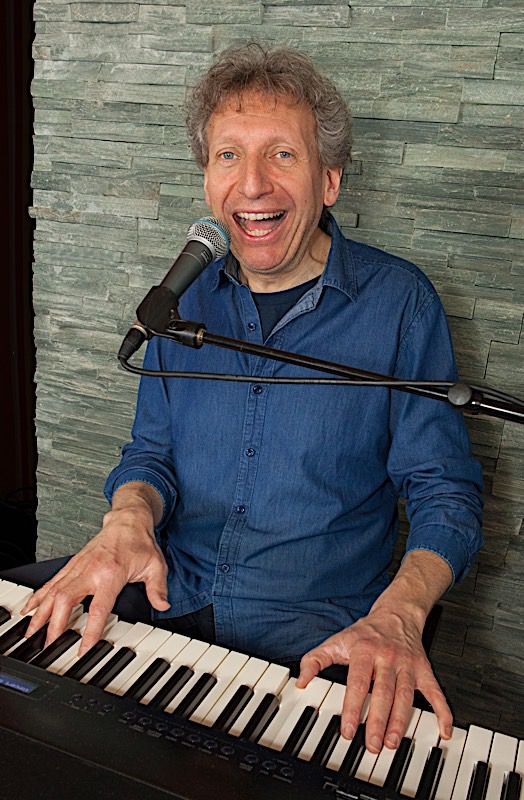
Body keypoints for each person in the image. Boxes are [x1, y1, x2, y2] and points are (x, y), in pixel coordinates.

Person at [19, 43, 483, 755]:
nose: (253, 184)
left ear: (329, 180)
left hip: (316, 640)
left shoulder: (400, 305)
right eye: (229, 155)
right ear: (208, 180)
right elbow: (151, 455)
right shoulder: (180, 300)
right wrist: (128, 517)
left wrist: (400, 612)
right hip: (164, 601)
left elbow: (444, 491)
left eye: (282, 155)